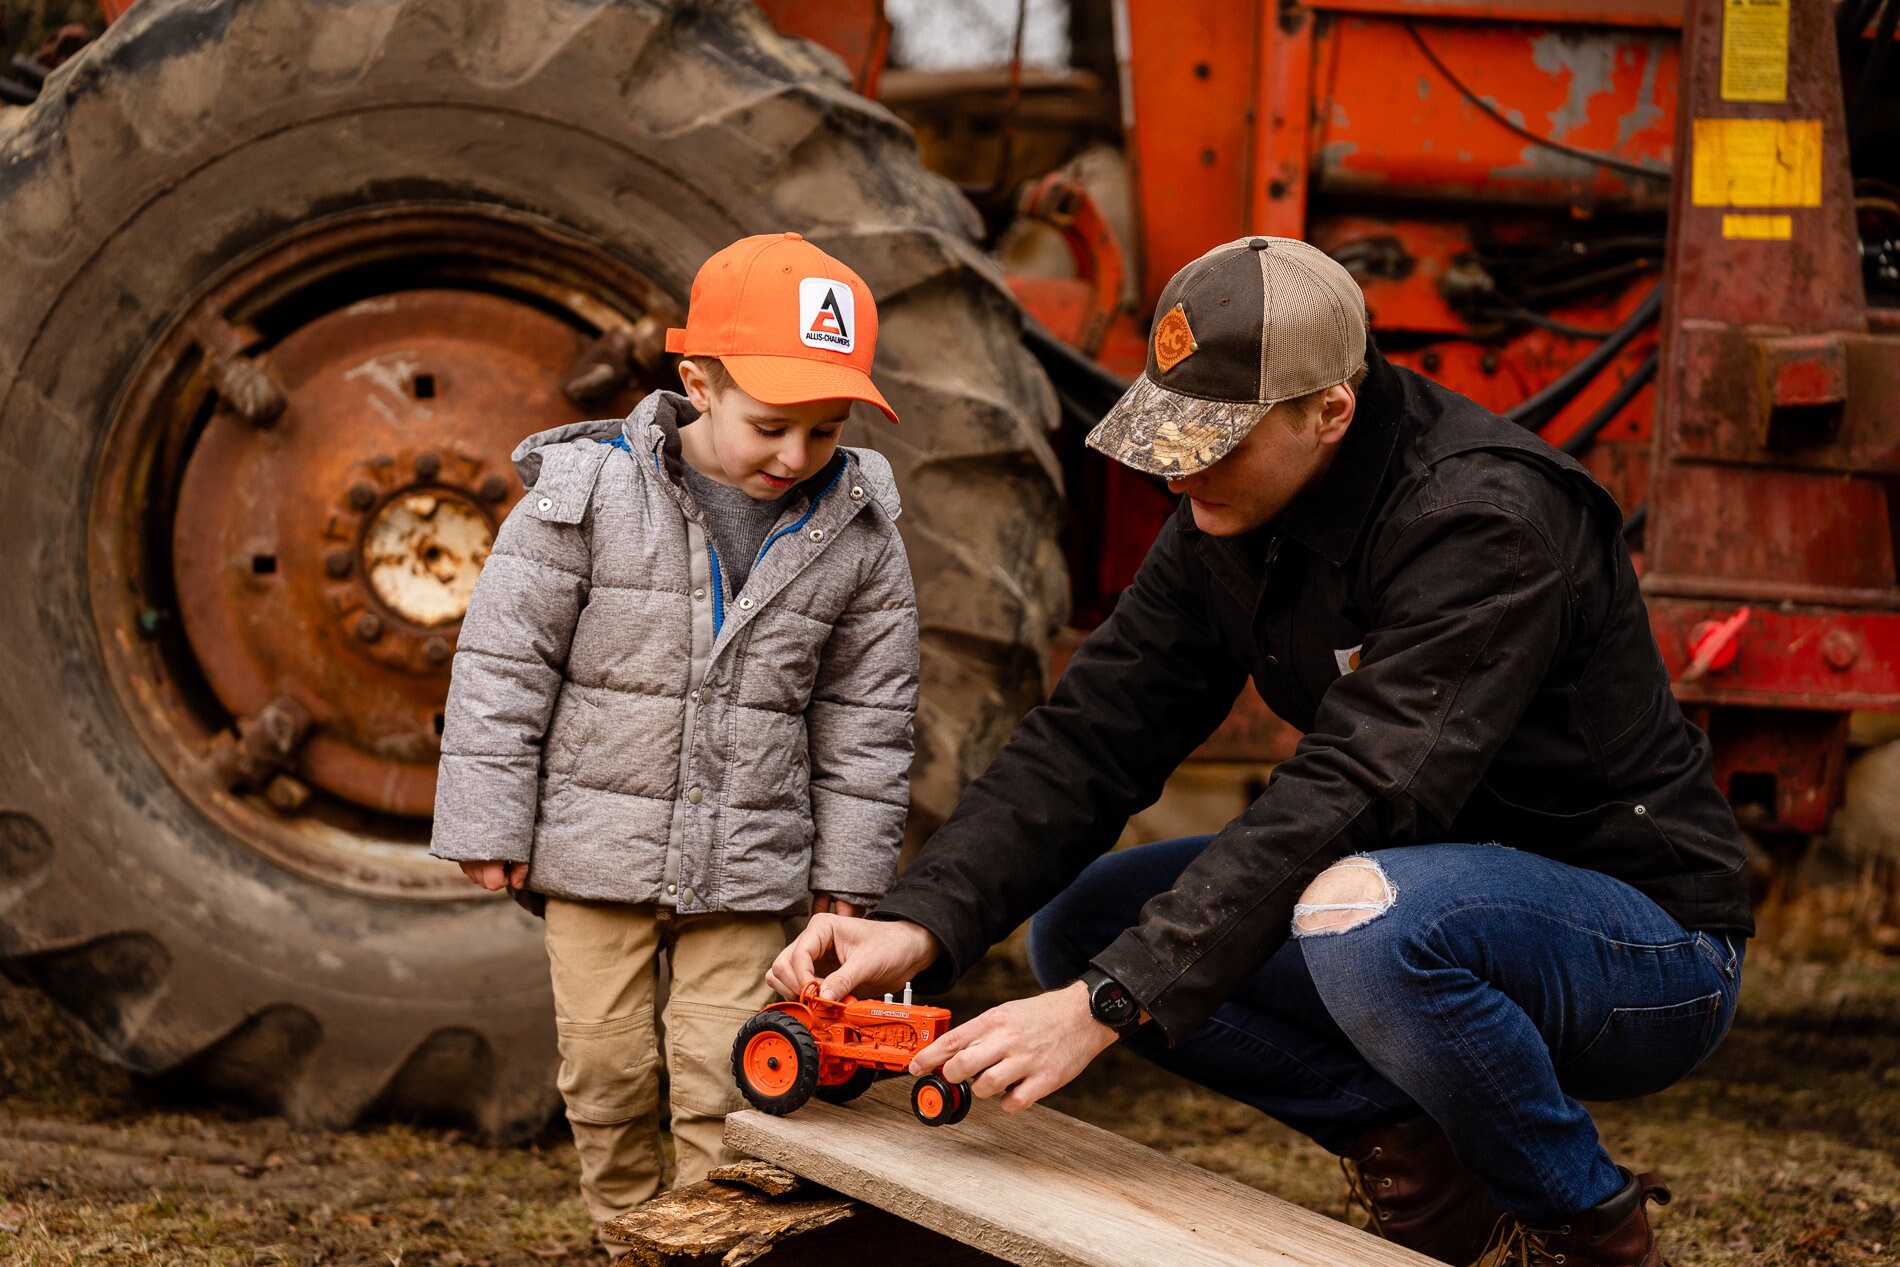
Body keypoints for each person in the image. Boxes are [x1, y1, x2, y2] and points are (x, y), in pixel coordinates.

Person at [770, 236, 1750, 1267]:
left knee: (1359, 920)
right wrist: (922, 921)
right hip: (1416, 891)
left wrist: (1111, 1004)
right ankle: (1430, 1169)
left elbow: (1362, 782)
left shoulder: (1486, 520)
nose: (1178, 466)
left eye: (1215, 440)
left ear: (1330, 410)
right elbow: (1091, 736)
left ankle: (1586, 1226)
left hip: (1643, 946)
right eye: (1170, 433)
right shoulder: (1224, 516)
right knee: (1088, 921)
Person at [433, 232, 919, 1254]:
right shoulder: (586, 493)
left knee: (723, 1076)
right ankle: (625, 1233)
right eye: (771, 425)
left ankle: (706, 1247)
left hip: (749, 862)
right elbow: (503, 659)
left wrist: (849, 871)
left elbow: (869, 713)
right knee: (605, 1070)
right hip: (594, 847)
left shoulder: (862, 531)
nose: (795, 456)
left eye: (825, 430)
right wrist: (488, 814)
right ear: (697, 382)